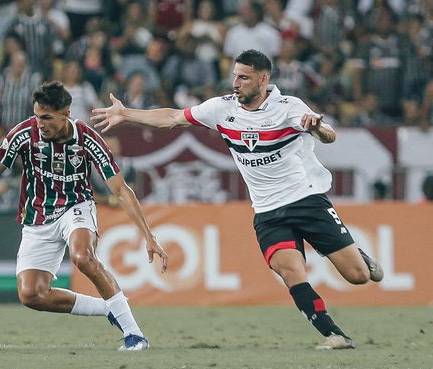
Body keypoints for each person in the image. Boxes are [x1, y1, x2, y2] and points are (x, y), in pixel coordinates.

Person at [91, 49, 384, 350]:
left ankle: (358, 257)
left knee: (358, 276)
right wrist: (126, 114)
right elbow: (172, 118)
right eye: (234, 76)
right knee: (289, 271)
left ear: (263, 79)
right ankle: (334, 334)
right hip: (267, 212)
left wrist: (317, 127)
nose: (236, 82)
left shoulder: (288, 107)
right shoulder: (222, 109)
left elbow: (329, 134)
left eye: (244, 77)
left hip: (306, 200)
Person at [0, 81, 168, 351]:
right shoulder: (23, 134)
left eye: (47, 117)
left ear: (66, 113)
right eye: (37, 116)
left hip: (76, 207)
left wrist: (149, 236)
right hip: (37, 217)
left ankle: (134, 335)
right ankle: (111, 309)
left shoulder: (87, 138)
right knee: (31, 295)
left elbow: (120, 189)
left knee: (82, 256)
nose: (40, 123)